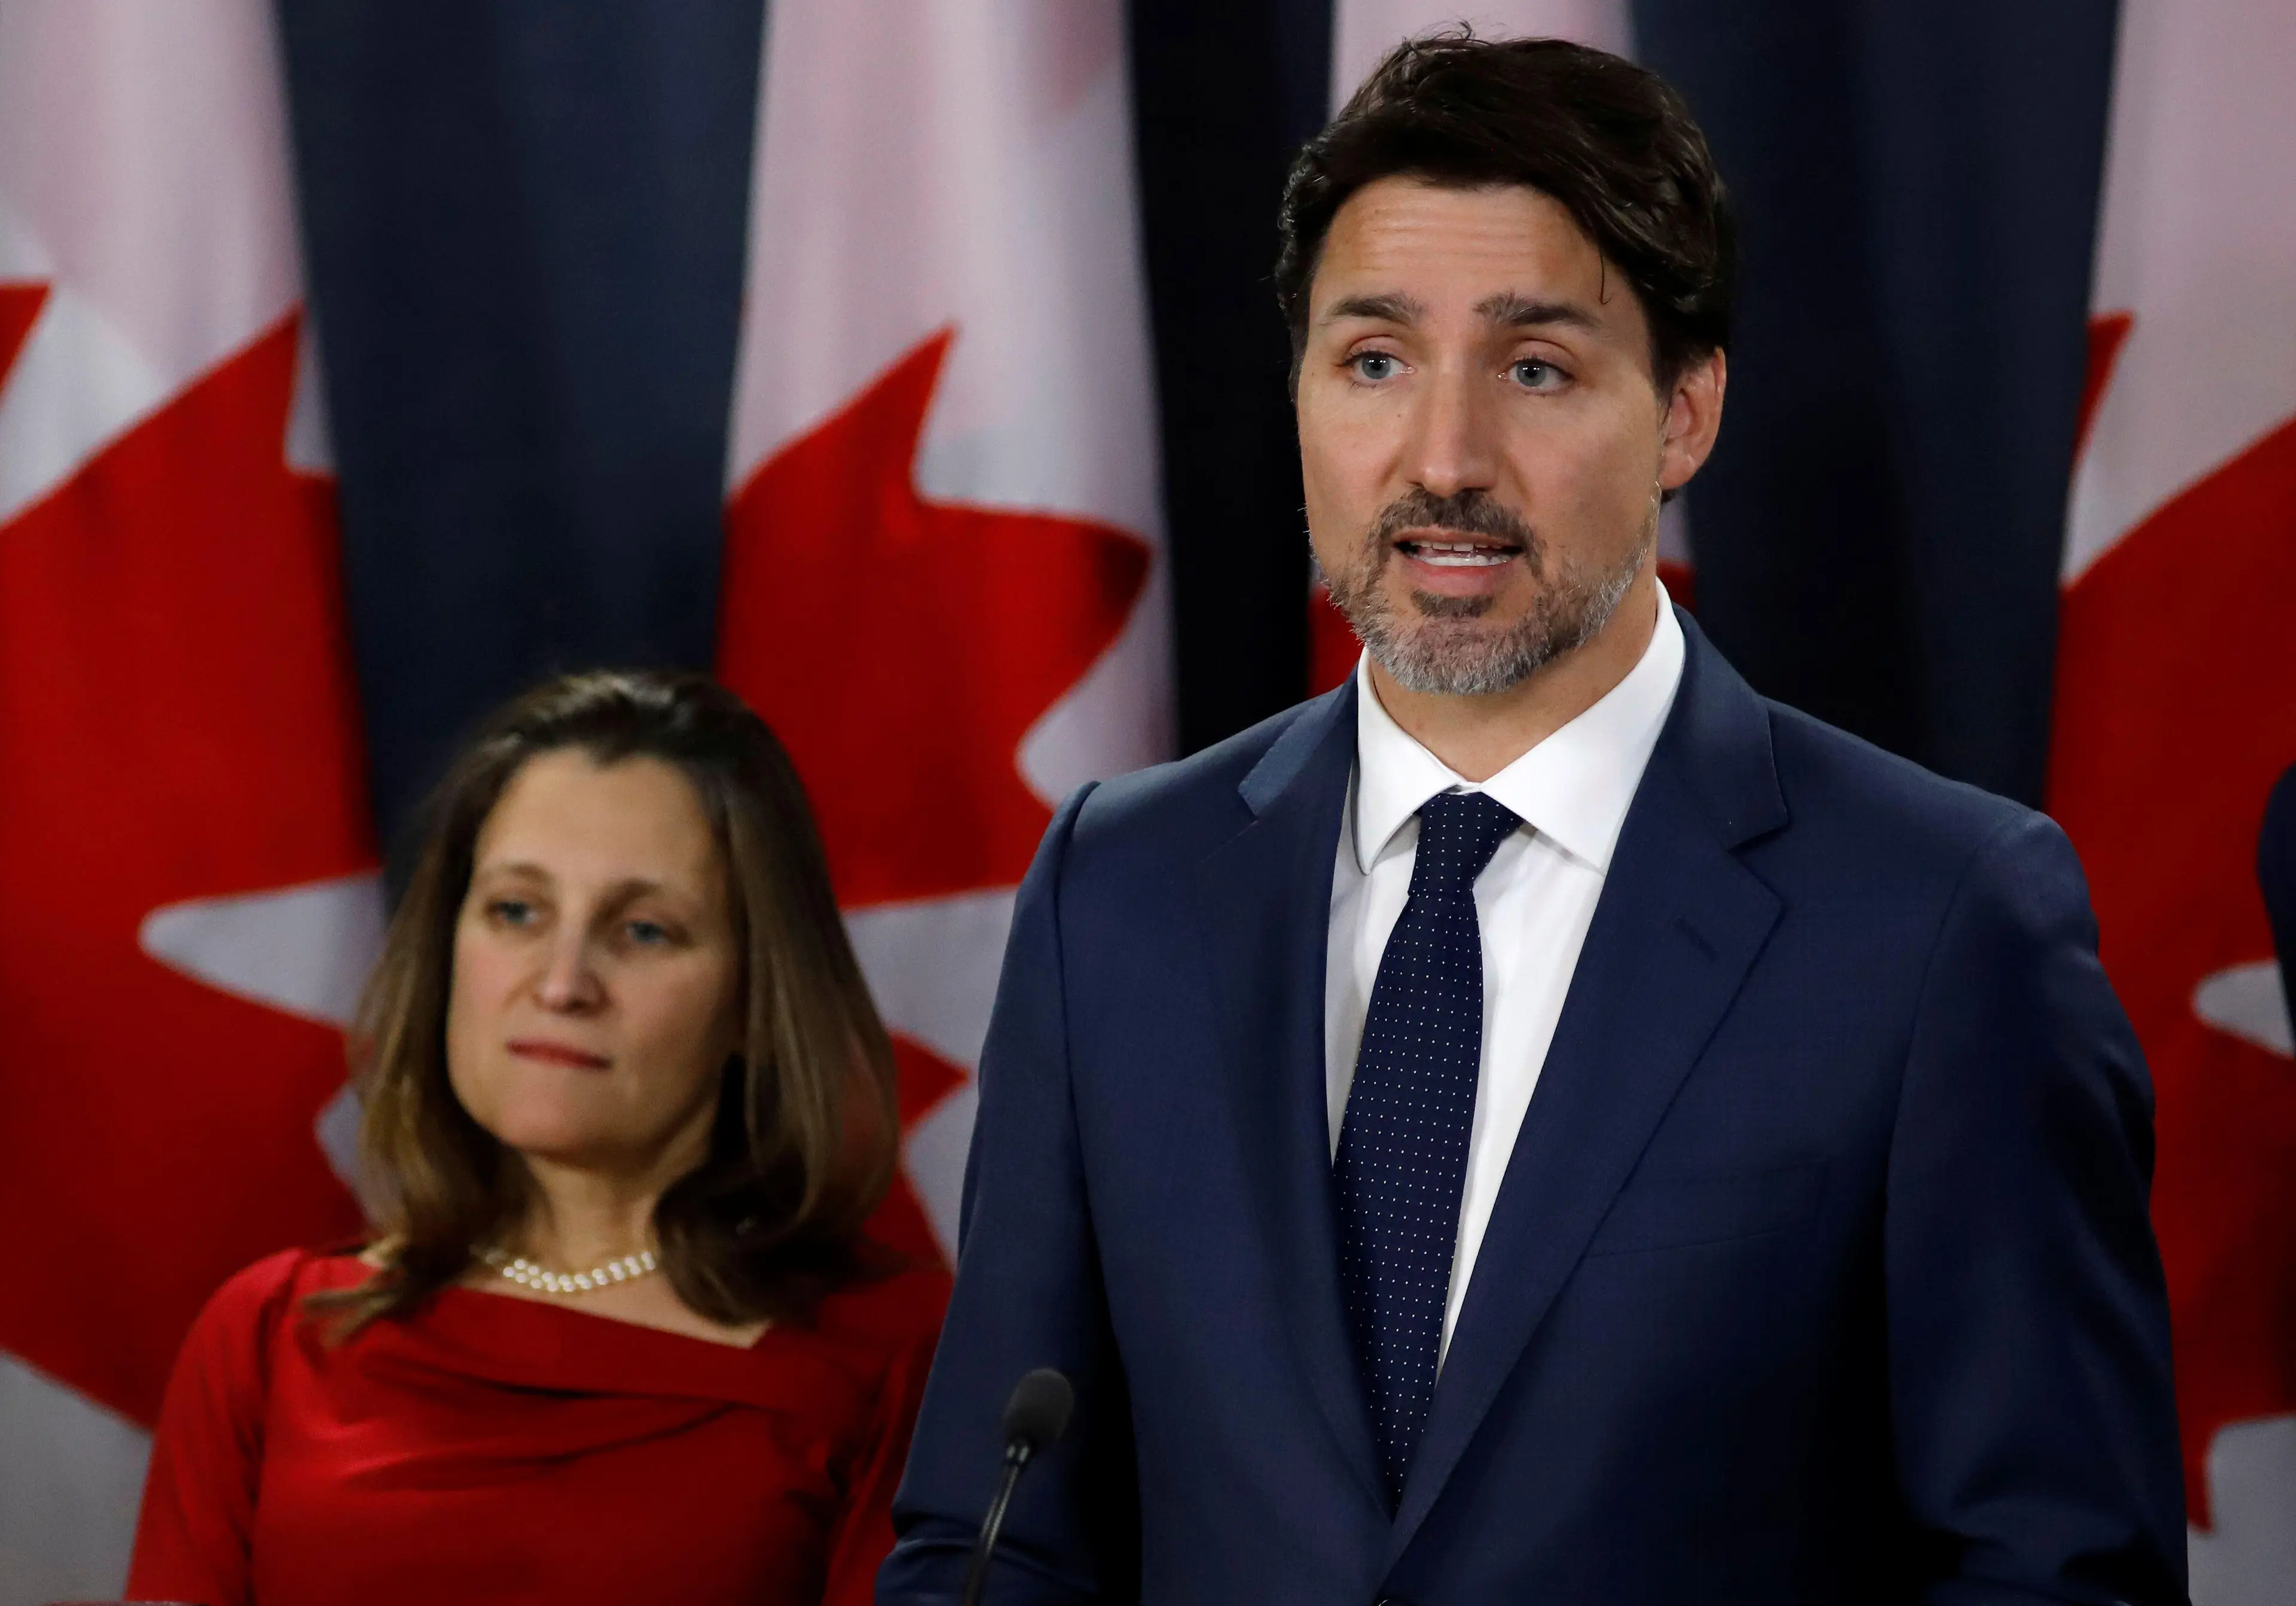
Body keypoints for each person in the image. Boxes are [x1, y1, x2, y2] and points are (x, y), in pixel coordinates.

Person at [883, 33, 2184, 1605]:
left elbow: (2059, 1568)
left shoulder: (1940, 918)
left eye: (1537, 366)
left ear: (1686, 411)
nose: (1442, 458)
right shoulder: (1122, 885)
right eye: (1374, 361)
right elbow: (996, 1530)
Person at [130, 670, 947, 1606]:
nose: (562, 983)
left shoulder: (903, 1353)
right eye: (517, 911)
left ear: (754, 1004)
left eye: (643, 930)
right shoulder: (272, 1334)